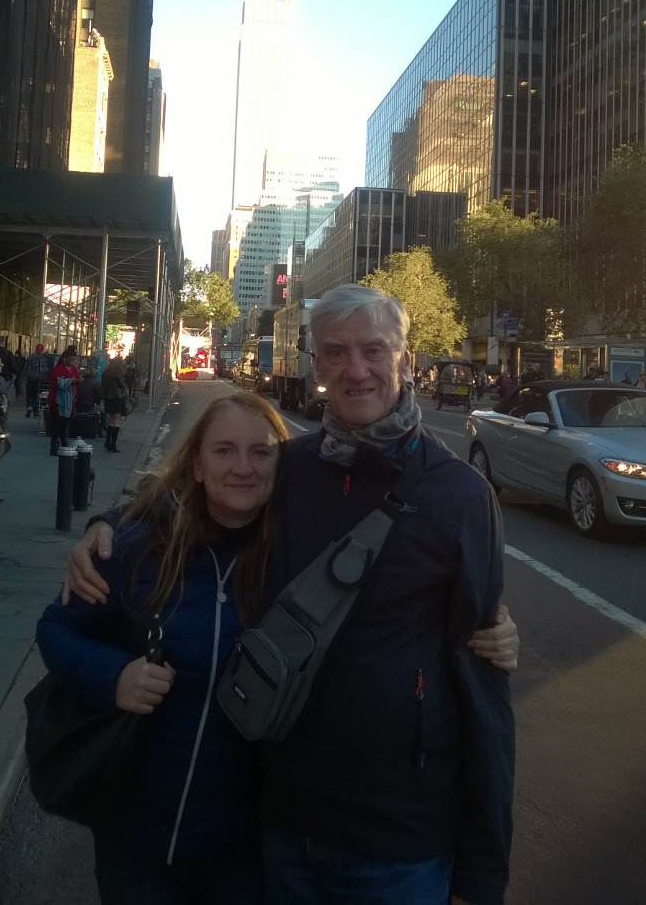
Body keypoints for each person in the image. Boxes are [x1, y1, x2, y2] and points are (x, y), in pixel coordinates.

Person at [67, 284, 517, 905]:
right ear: (315, 365)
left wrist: (483, 872)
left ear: (404, 359)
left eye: (373, 350)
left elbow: (485, 696)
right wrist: (108, 524)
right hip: (282, 825)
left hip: (400, 844)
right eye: (336, 352)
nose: (355, 370)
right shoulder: (289, 467)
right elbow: (199, 497)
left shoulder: (461, 496)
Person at [37, 392, 290, 904]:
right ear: (196, 465)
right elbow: (57, 629)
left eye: (260, 452)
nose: (242, 467)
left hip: (244, 849)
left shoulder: (295, 557)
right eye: (224, 450)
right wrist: (114, 677)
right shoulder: (138, 546)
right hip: (139, 840)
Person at [47, 345, 81, 456]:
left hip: (69, 400)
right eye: (70, 360)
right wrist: (72, 381)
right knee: (57, 425)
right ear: (65, 359)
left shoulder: (73, 369)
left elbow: (76, 378)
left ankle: (64, 444)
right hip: (57, 401)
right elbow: (57, 383)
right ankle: (55, 447)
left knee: (65, 425)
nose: (72, 362)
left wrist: (77, 381)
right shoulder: (58, 368)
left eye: (73, 360)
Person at [101, 356, 128, 452]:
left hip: (108, 399)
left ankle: (107, 441)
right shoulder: (117, 374)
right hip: (117, 399)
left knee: (110, 421)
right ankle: (113, 444)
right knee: (116, 422)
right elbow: (122, 387)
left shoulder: (106, 373)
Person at [24, 344, 45, 417]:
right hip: (39, 379)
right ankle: (36, 411)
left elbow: (26, 367)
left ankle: (29, 407)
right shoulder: (43, 358)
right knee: (37, 395)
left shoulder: (30, 357)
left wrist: (25, 376)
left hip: (30, 378)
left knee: (29, 394)